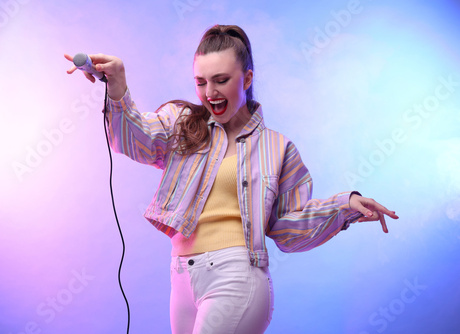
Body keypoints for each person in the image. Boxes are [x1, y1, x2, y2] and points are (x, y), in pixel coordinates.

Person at [65, 24, 398, 334]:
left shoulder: (277, 148)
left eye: (221, 80)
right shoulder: (183, 124)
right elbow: (133, 139)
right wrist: (119, 86)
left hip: (237, 276)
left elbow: (288, 228)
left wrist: (346, 206)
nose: (209, 93)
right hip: (181, 277)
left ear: (247, 77)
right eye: (200, 82)